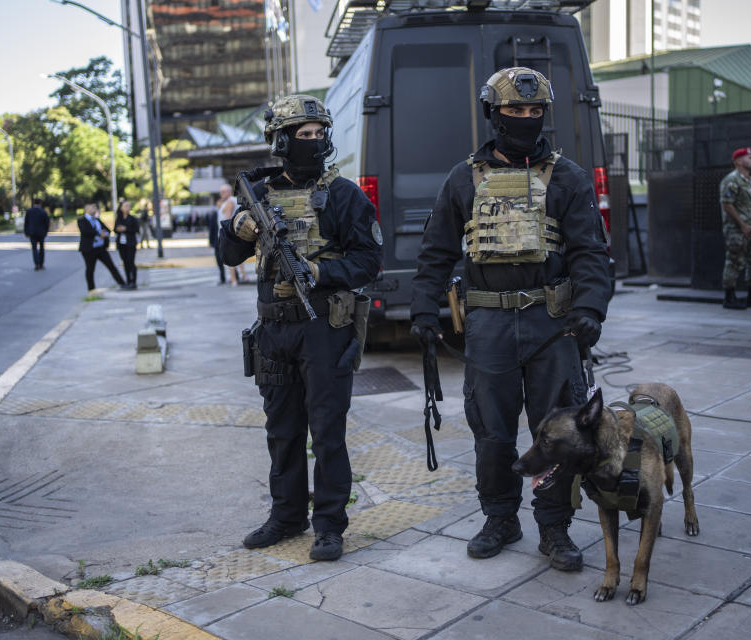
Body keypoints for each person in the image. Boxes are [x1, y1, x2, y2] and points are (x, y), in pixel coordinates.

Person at [410, 67, 613, 570]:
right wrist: (422, 308)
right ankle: (500, 518)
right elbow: (436, 251)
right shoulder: (463, 178)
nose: (525, 119)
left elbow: (591, 252)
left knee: (560, 433)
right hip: (489, 326)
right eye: (514, 111)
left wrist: (590, 308)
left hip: (552, 325)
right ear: (493, 114)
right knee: (492, 434)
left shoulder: (568, 177)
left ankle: (554, 529)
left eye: (534, 111)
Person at [218, 94, 382, 561]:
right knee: (282, 430)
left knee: (327, 431)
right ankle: (286, 516)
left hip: (324, 328)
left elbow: (370, 259)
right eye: (302, 135)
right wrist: (240, 227)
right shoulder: (259, 196)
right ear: (280, 141)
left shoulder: (344, 194)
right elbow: (228, 256)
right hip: (273, 331)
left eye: (318, 134)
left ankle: (329, 525)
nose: (313, 143)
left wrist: (321, 273)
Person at [720, 147, 751, 309]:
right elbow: (726, 204)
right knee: (734, 262)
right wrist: (742, 225)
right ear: (738, 161)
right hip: (738, 230)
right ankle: (729, 297)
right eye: (750, 157)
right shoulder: (731, 180)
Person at [77, 203, 128, 292]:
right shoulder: (82, 220)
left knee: (111, 266)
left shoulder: (97, 220)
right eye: (92, 207)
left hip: (100, 248)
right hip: (89, 249)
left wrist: (105, 234)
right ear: (86, 208)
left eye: (95, 207)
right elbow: (86, 231)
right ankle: (91, 289)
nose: (95, 208)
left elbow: (107, 230)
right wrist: (98, 233)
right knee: (90, 269)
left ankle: (122, 283)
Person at [216, 184, 248, 286]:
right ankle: (243, 276)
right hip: (235, 231)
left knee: (229, 256)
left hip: (228, 232)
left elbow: (227, 219)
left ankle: (234, 279)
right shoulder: (232, 201)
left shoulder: (230, 202)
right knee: (236, 254)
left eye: (224, 191)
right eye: (221, 192)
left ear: (229, 192)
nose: (221, 194)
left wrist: (225, 235)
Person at [114, 200, 140, 289]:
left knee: (131, 261)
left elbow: (136, 229)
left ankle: (133, 282)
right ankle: (128, 281)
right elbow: (115, 229)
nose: (127, 208)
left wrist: (126, 229)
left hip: (131, 243)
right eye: (125, 206)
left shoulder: (132, 218)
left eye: (129, 206)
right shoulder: (119, 218)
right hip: (121, 244)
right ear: (121, 207)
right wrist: (118, 229)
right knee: (125, 262)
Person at [23, 197, 51, 270]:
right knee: (41, 248)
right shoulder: (43, 212)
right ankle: (41, 264)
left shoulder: (29, 211)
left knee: (34, 249)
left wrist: (26, 232)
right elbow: (47, 223)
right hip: (41, 233)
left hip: (32, 233)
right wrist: (46, 232)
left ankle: (37, 264)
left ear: (33, 203)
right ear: (40, 203)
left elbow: (26, 223)